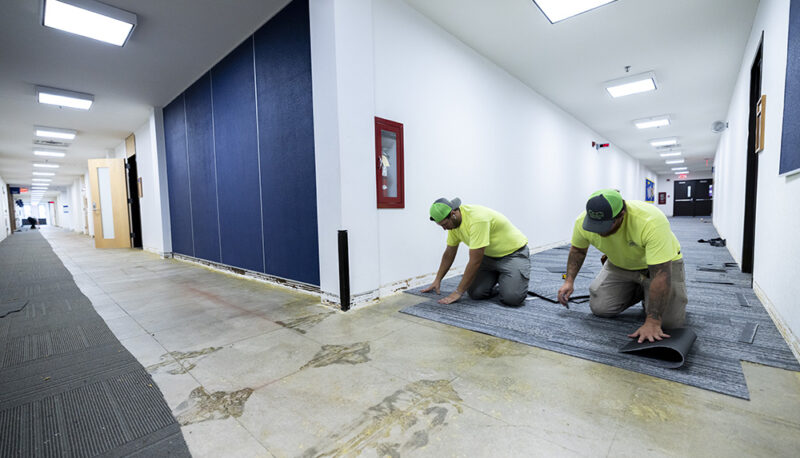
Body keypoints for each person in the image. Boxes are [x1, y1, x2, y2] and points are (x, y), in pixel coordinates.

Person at [557, 189, 688, 343]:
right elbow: (578, 250)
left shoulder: (650, 221)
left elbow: (661, 274)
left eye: (605, 225)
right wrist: (569, 280)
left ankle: (650, 292)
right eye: (595, 225)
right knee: (601, 308)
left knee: (668, 323)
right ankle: (644, 291)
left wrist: (653, 321)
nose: (599, 231)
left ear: (622, 214)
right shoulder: (582, 222)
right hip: (620, 264)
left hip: (660, 266)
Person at [422, 197, 530, 306]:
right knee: (475, 293)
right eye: (441, 225)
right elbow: (449, 253)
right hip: (489, 257)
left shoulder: (477, 220)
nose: (444, 228)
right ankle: (502, 277)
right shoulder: (453, 224)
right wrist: (437, 279)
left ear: (453, 214)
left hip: (513, 254)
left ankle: (508, 280)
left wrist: (458, 292)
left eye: (444, 224)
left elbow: (475, 261)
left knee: (512, 298)